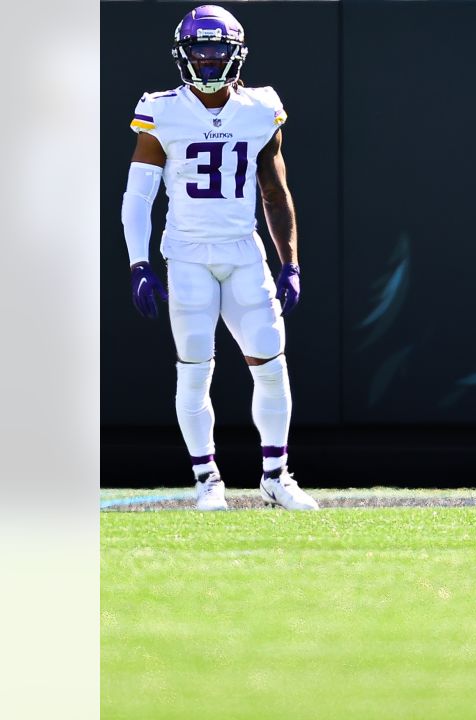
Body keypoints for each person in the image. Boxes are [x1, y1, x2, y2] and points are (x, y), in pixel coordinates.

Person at [122, 4, 318, 511]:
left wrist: (290, 261)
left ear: (237, 53)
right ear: (182, 55)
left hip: (242, 251)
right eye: (198, 51)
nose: (207, 61)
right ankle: (208, 479)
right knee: (194, 369)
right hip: (187, 254)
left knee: (272, 365)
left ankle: (276, 475)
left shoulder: (259, 108)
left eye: (216, 50)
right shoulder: (161, 109)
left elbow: (275, 193)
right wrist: (138, 263)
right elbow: (138, 196)